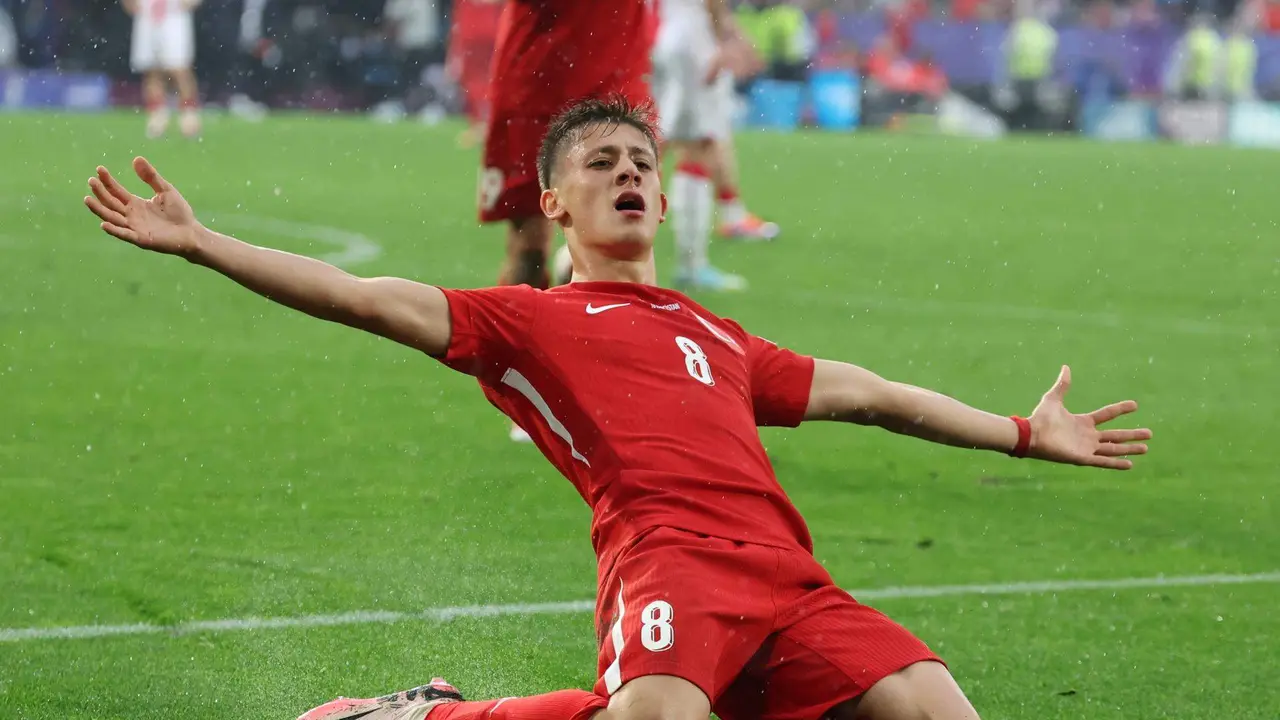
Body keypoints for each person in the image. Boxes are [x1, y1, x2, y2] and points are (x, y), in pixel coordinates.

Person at [82, 96, 1152, 720]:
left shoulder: (717, 335)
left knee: (933, 708)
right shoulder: (530, 320)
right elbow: (364, 298)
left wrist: (1021, 433)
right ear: (554, 202)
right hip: (666, 561)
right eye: (601, 164)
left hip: (790, 577)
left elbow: (868, 394)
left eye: (642, 162)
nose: (630, 173)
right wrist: (205, 241)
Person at [652, 0, 773, 291]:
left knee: (657, 140)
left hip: (662, 36)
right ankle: (691, 266)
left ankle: (606, 240)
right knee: (698, 148)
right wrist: (722, 43)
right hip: (692, 42)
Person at [123, 0, 203, 138]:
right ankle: (157, 115)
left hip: (174, 14)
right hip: (147, 14)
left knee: (179, 69)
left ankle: (188, 115)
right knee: (151, 69)